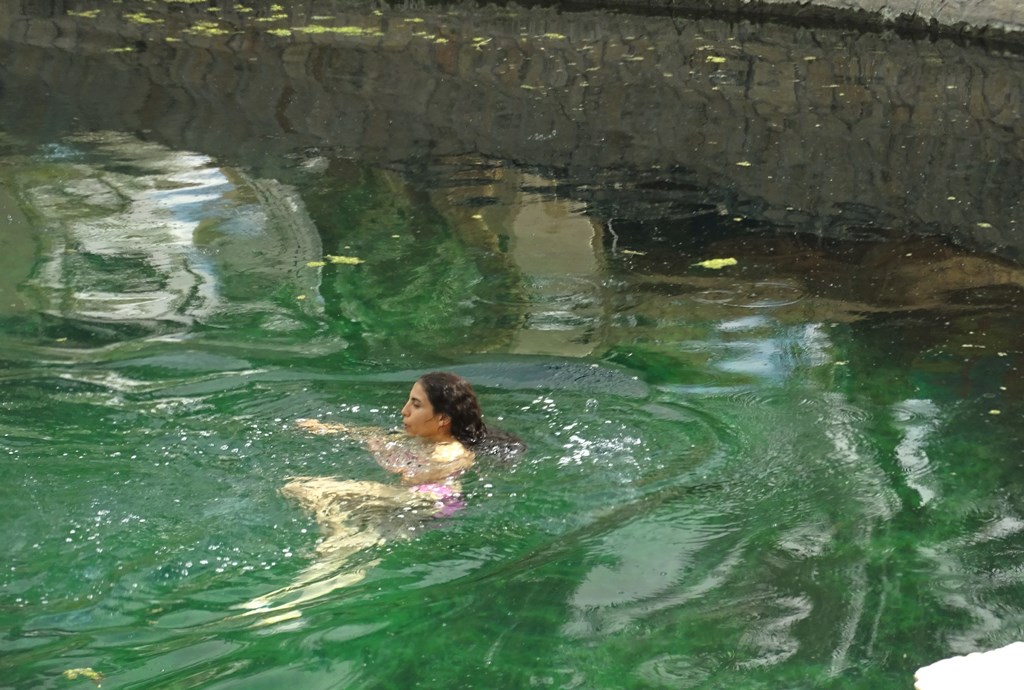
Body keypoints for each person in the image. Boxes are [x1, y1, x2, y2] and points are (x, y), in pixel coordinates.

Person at [236, 372, 521, 623]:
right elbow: (378, 435)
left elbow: (426, 473)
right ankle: (291, 605)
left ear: (443, 419)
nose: (404, 410)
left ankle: (334, 532)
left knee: (306, 488)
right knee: (348, 549)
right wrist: (332, 429)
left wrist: (391, 459)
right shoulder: (425, 438)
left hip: (427, 501)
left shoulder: (450, 451)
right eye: (409, 400)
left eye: (416, 404)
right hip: (413, 504)